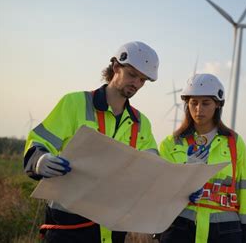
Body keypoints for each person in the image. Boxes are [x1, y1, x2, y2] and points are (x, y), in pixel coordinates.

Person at [23, 41, 160, 243]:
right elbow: (40, 140)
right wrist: (40, 159)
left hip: (113, 226)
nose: (137, 84)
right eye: (132, 75)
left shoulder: (141, 123)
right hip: (68, 225)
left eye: (142, 80)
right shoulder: (74, 103)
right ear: (115, 67)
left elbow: (154, 165)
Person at [159, 73, 246, 243]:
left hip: (225, 230)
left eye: (205, 103)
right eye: (193, 102)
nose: (198, 109)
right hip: (181, 226)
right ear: (187, 104)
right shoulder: (170, 143)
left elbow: (245, 187)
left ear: (218, 104)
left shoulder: (234, 142)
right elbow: (160, 187)